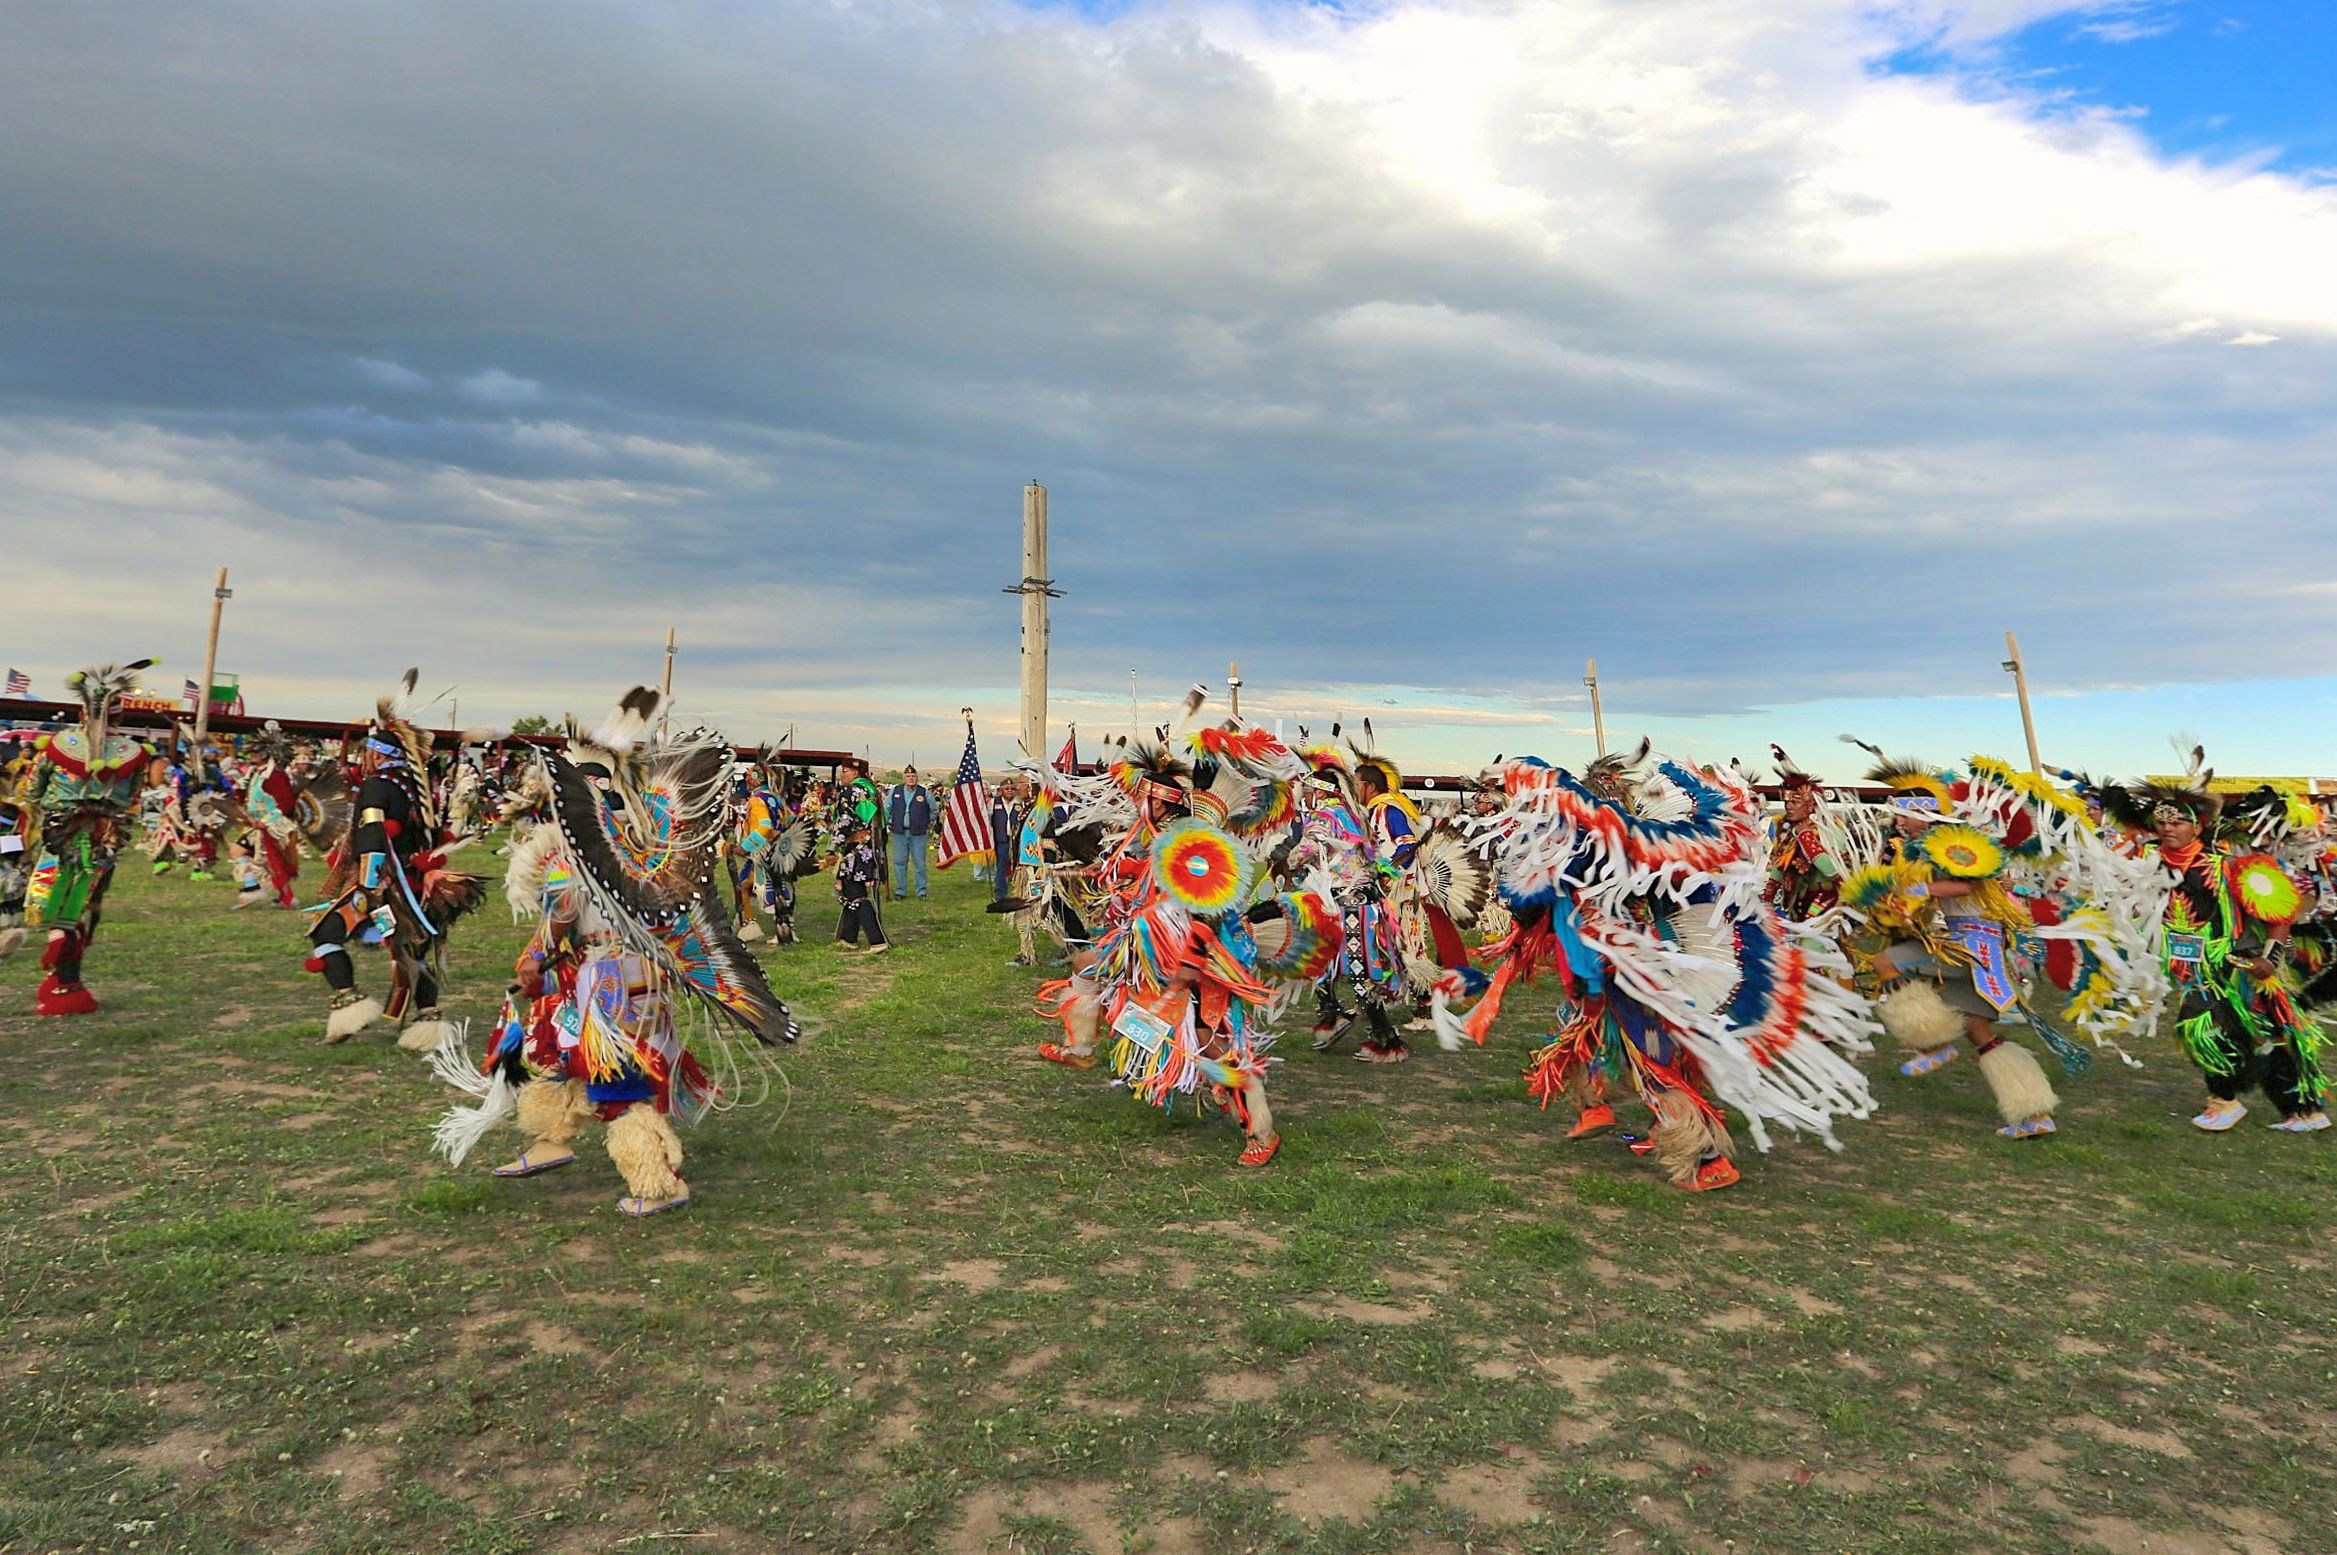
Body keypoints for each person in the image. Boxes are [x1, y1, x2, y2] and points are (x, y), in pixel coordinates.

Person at [426, 688, 799, 1217]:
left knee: (616, 1077)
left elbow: (560, 917)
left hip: (610, 979)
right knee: (555, 1050)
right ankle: (551, 1139)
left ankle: (661, 1181)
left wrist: (536, 957)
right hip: (621, 973)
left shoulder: (579, 854)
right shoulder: (633, 840)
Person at [20, 661, 156, 1015]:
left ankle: (61, 970)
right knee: (85, 906)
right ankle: (69, 981)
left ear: (83, 711)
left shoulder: (56, 746)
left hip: (58, 833)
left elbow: (33, 790)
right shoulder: (135, 754)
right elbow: (132, 797)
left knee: (52, 899)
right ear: (120, 716)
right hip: (103, 837)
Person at [836, 820, 890, 952]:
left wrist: (832, 847)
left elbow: (845, 821)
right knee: (852, 893)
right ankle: (849, 938)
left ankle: (877, 941)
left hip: (857, 849)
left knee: (857, 896)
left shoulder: (848, 798)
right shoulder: (872, 798)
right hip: (869, 846)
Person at [888, 765, 933, 900]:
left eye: (913, 776)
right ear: (904, 778)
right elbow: (886, 808)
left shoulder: (924, 793)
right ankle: (901, 890)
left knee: (919, 863)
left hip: (918, 833)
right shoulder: (895, 791)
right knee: (899, 862)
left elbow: (934, 810)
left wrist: (924, 821)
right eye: (908, 776)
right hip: (899, 833)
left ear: (917, 778)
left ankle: (921, 891)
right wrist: (891, 820)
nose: (911, 778)